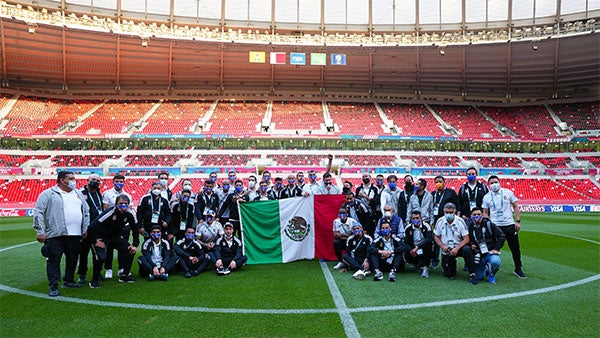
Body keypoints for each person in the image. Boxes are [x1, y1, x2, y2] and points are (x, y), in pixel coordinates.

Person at [33, 171, 90, 296]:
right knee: (54, 259)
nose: (74, 181)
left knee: (73, 258)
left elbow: (86, 211)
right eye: (71, 178)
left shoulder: (78, 194)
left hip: (75, 234)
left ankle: (68, 280)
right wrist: (40, 231)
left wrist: (85, 228)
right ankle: (53, 285)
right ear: (62, 180)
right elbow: (38, 212)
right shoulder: (49, 194)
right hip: (55, 234)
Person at [86, 194, 139, 288]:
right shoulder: (109, 213)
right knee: (101, 257)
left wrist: (135, 244)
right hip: (100, 237)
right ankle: (94, 280)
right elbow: (91, 227)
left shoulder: (129, 214)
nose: (123, 206)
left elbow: (135, 229)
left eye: (125, 204)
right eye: (121, 204)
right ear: (116, 204)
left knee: (130, 250)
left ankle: (124, 276)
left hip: (114, 237)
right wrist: (95, 241)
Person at [482, 175, 526, 279]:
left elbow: (515, 206)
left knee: (515, 248)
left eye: (495, 182)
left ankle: (518, 268)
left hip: (509, 224)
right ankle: (489, 268)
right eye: (491, 183)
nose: (494, 184)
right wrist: (487, 224)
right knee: (491, 248)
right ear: (488, 185)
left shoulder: (508, 192)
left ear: (499, 182)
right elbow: (485, 212)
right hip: (495, 226)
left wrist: (518, 221)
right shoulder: (487, 197)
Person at [433, 203, 475, 282]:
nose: (449, 214)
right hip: (447, 249)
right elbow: (436, 236)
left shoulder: (460, 221)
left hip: (459, 247)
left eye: (451, 212)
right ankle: (451, 265)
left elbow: (466, 238)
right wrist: (442, 247)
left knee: (467, 250)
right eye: (447, 212)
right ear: (444, 212)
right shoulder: (440, 221)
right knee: (448, 274)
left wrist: (457, 248)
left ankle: (472, 273)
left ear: (455, 212)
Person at [101, 173, 131, 280]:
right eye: (117, 181)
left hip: (124, 226)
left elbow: (129, 211)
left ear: (124, 182)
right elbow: (105, 210)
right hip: (111, 226)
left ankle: (121, 268)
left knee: (123, 248)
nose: (119, 183)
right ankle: (108, 269)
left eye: (121, 182)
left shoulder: (128, 195)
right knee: (109, 248)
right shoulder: (107, 193)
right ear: (113, 182)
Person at [77, 174, 103, 284]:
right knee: (83, 253)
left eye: (98, 180)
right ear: (88, 180)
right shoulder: (80, 193)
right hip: (85, 228)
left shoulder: (98, 193)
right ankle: (82, 274)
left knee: (98, 252)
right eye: (93, 180)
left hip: (97, 229)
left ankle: (98, 273)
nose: (95, 182)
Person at [467, 207, 505, 284]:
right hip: (479, 254)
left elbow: (502, 236)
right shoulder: (469, 227)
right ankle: (486, 268)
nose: (476, 216)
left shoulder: (489, 224)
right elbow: (466, 239)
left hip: (490, 252)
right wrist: (471, 244)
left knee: (496, 261)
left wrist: (496, 249)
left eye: (479, 214)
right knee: (479, 277)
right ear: (471, 216)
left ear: (482, 215)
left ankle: (492, 274)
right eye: (474, 214)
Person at [430, 175, 459, 269]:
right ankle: (435, 260)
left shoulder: (450, 192)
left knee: (449, 239)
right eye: (436, 182)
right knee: (436, 240)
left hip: (448, 220)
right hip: (436, 220)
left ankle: (450, 258)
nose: (438, 183)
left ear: (444, 182)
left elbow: (457, 205)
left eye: (440, 181)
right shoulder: (433, 194)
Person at [403, 211, 434, 278]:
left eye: (417, 218)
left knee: (429, 245)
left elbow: (429, 239)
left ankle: (425, 267)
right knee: (405, 249)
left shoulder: (426, 226)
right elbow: (406, 242)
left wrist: (418, 247)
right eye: (413, 218)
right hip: (413, 248)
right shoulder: (408, 228)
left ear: (421, 218)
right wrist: (411, 250)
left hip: (423, 247)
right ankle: (416, 263)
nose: (415, 220)